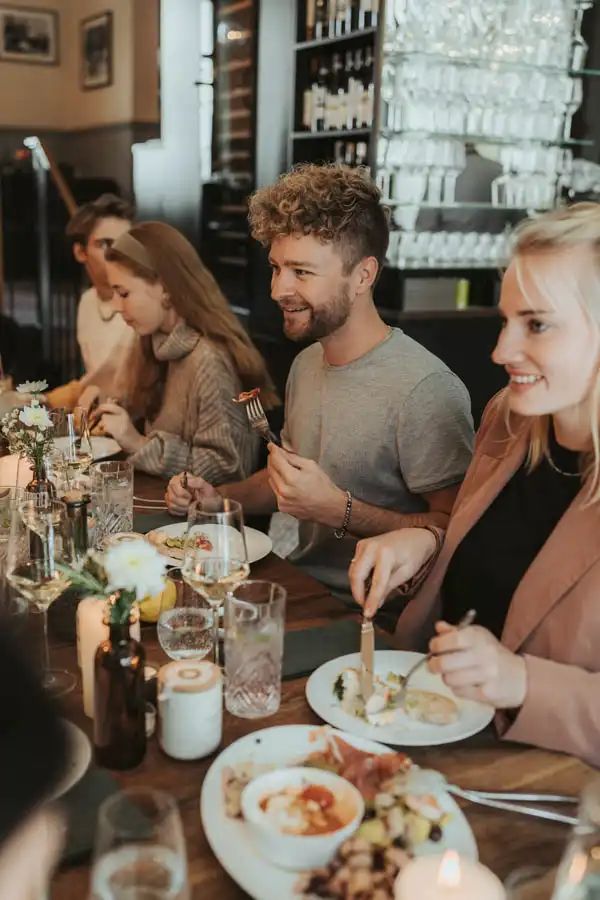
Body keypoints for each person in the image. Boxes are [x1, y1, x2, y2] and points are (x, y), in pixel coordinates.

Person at [350, 202, 600, 766]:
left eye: (537, 324)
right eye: (505, 320)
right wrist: (426, 544)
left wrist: (521, 683)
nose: (501, 352)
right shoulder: (510, 419)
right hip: (421, 724)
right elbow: (490, 562)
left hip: (535, 787)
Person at [166, 164, 474, 597]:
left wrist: (339, 510)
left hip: (375, 615)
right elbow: (289, 483)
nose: (278, 290)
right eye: (276, 268)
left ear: (363, 276)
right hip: (300, 584)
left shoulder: (426, 390)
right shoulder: (307, 363)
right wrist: (218, 499)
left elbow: (453, 534)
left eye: (302, 272)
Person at [95, 221, 276, 481]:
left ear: (166, 290)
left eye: (123, 293)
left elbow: (227, 468)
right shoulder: (152, 339)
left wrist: (138, 443)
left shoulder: (209, 359)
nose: (115, 306)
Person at [46, 193, 135, 411]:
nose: (118, 253)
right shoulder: (87, 301)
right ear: (80, 252)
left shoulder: (142, 303)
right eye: (105, 244)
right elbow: (98, 376)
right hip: (100, 421)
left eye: (126, 242)